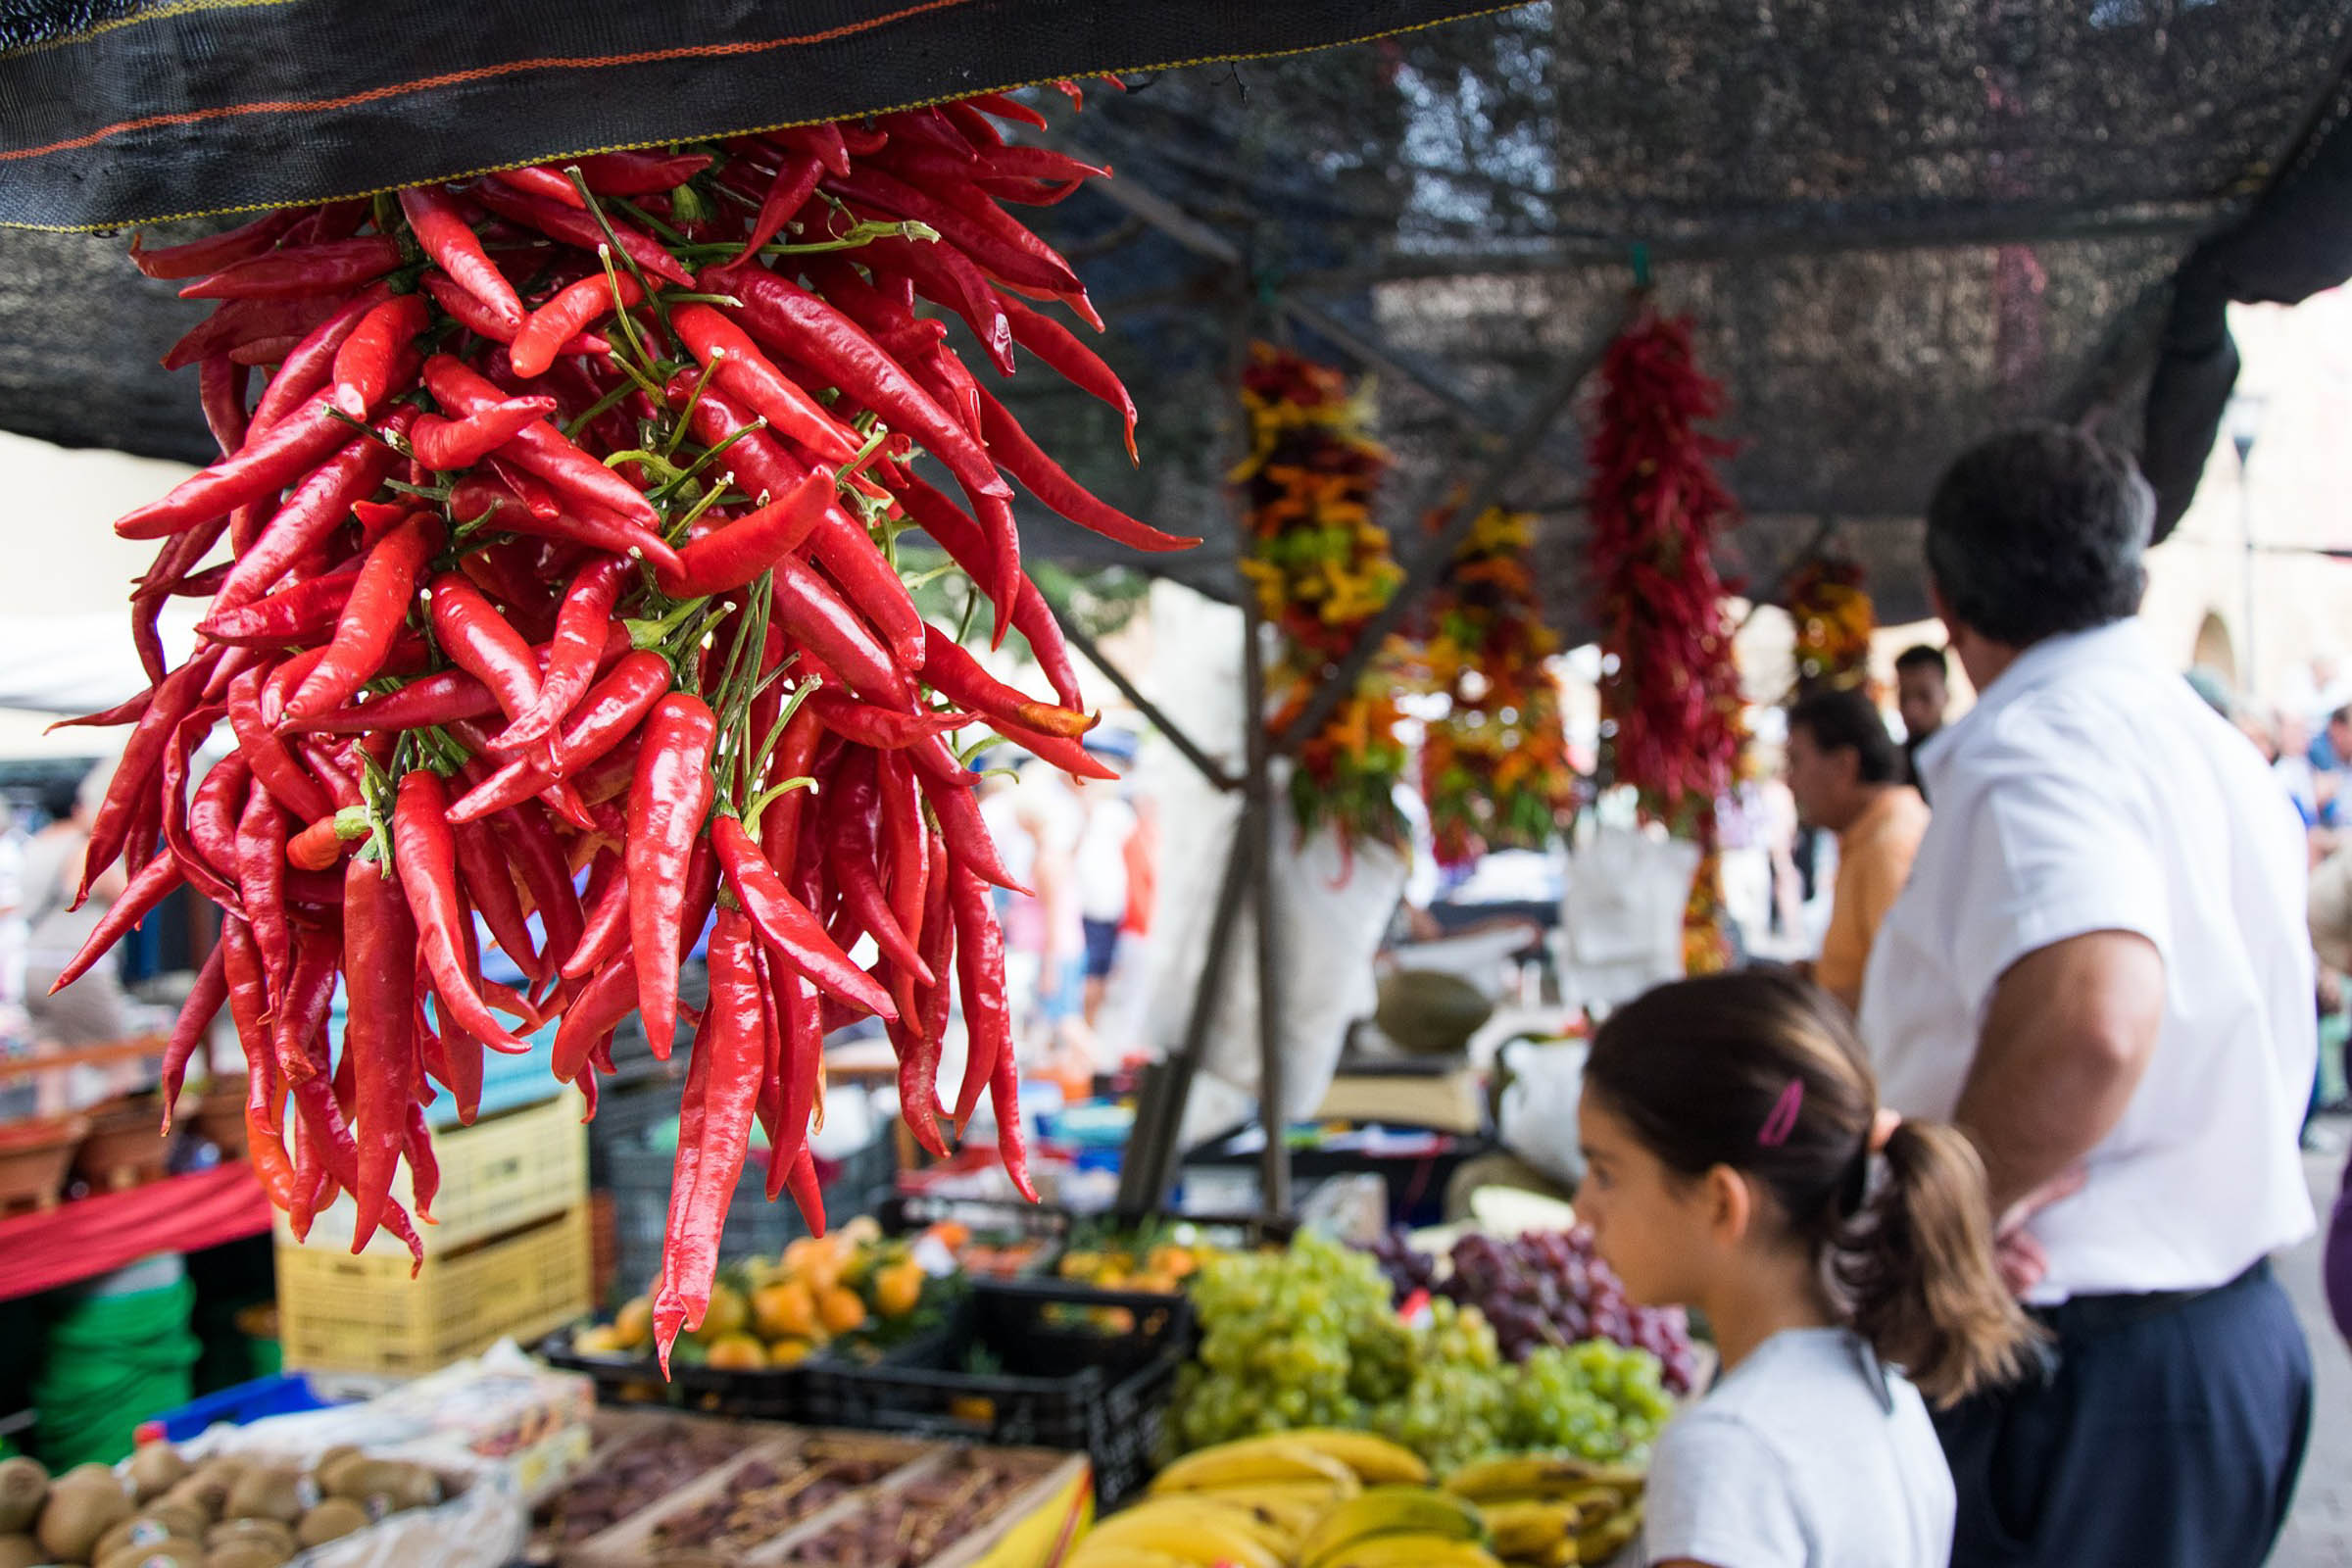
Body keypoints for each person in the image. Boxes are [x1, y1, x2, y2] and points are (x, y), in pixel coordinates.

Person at [1859, 425, 2315, 1567]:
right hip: (2203, 1342)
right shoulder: (2199, 742)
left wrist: (1937, 1238)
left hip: (2093, 1370)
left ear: (1944, 603)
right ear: (2133, 575)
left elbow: (2095, 1017)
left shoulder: (2041, 747)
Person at [1578, 970, 2034, 1568]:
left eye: (1606, 1173)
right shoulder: (1883, 1385)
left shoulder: (1730, 1453)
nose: (1582, 1209)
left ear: (1722, 1201)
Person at [1784, 687, 1929, 1015]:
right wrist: (1816, 975)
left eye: (1795, 761)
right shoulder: (1871, 834)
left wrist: (1805, 1004)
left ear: (1843, 766)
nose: (1789, 781)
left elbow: (1908, 992)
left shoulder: (1888, 845)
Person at [1892, 644, 1950, 800]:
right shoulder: (1892, 766)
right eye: (1904, 697)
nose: (1912, 710)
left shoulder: (1962, 760)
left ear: (1946, 696)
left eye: (1924, 696)